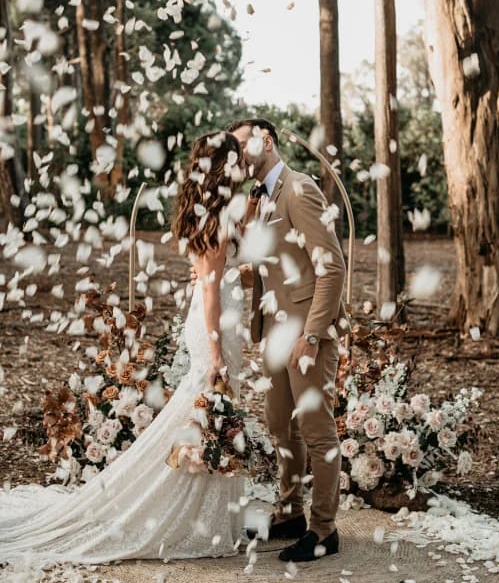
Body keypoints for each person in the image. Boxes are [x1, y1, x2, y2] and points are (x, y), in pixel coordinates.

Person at [0, 132, 247, 565]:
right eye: (237, 157)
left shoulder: (209, 210)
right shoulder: (218, 215)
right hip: (213, 328)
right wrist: (218, 355)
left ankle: (204, 511)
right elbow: (209, 290)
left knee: (208, 418)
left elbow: (214, 273)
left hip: (215, 323)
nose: (243, 163)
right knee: (205, 416)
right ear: (224, 165)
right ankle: (179, 513)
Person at [229, 118, 350, 562]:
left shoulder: (298, 189)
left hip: (307, 334)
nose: (236, 154)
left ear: (268, 142)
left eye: (241, 144)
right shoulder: (257, 199)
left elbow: (332, 267)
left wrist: (314, 336)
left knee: (316, 432)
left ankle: (323, 530)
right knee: (281, 424)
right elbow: (267, 267)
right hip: (275, 332)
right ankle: (289, 511)